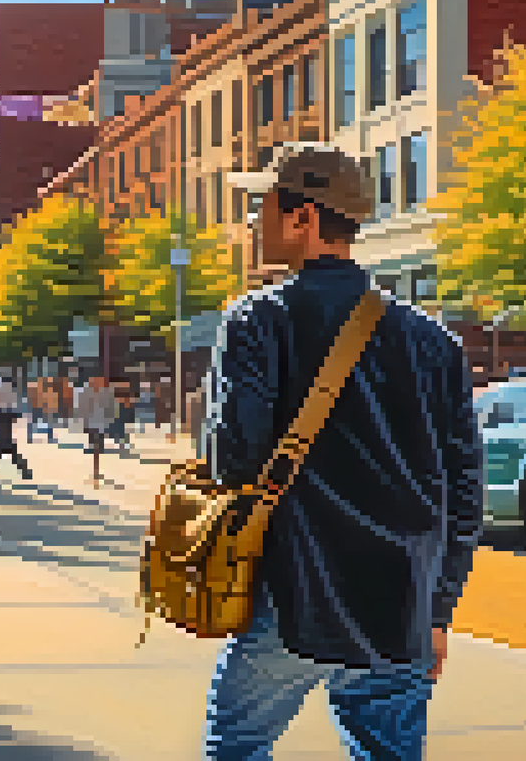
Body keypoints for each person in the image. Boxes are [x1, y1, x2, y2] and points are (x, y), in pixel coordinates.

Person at [199, 148, 483, 758]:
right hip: (401, 605)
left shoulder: (255, 320)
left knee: (238, 743)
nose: (255, 222)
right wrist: (438, 612)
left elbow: (233, 460)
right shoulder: (434, 340)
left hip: (292, 592)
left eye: (263, 207)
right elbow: (465, 491)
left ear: (301, 218)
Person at [0, 375, 32, 484]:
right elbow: (13, 403)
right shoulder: (11, 388)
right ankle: (25, 471)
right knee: (6, 445)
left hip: (0, 414)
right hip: (7, 414)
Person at [74, 375, 114, 486]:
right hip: (91, 424)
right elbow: (81, 409)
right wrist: (83, 422)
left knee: (98, 448)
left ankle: (96, 471)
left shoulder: (106, 393)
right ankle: (96, 471)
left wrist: (109, 422)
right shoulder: (86, 392)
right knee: (95, 448)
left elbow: (111, 409)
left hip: (101, 424)